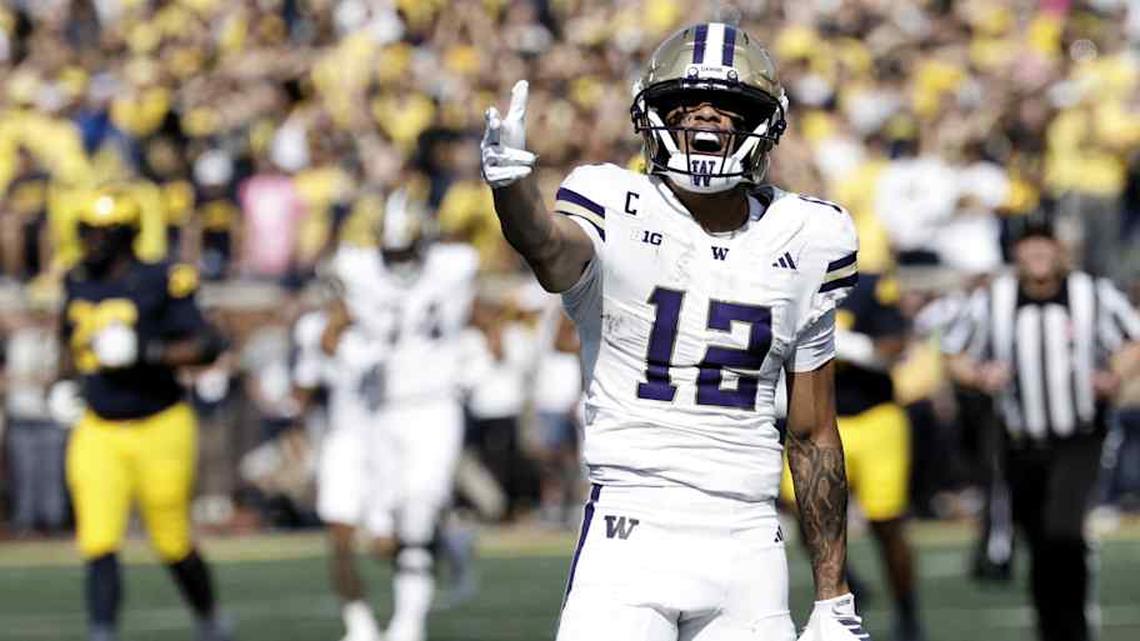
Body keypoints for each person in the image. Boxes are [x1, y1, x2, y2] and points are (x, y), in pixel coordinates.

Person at [482, 22, 870, 641]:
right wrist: (512, 190)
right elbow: (549, 250)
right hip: (631, 529)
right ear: (651, 114)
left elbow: (813, 432)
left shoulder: (810, 236)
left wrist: (832, 595)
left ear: (762, 123)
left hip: (747, 535)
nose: (705, 118)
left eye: (728, 104)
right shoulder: (612, 200)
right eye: (685, 103)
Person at [943, 215, 1140, 641]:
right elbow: (954, 353)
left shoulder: (1092, 293)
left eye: (1044, 244)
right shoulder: (994, 298)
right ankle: (1052, 626)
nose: (1037, 253)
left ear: (1058, 250)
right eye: (1029, 245)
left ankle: (1074, 627)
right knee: (1037, 538)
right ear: (1016, 253)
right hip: (1020, 442)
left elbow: (1132, 339)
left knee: (1063, 530)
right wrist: (981, 375)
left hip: (1079, 436)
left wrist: (1114, 376)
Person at [50, 188, 232, 641]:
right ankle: (102, 632)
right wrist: (65, 382)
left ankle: (208, 619)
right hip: (98, 427)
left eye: (101, 233)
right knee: (98, 540)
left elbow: (207, 345)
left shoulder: (163, 278)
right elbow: (66, 340)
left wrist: (147, 351)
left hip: (160, 423)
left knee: (171, 541)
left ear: (125, 234)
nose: (91, 242)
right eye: (86, 231)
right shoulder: (76, 280)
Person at [316, 188, 481, 641]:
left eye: (407, 248)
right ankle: (449, 549)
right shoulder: (361, 271)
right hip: (382, 411)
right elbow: (333, 319)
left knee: (418, 512)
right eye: (392, 250)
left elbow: (482, 302)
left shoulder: (455, 266)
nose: (399, 260)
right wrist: (347, 346)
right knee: (385, 534)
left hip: (435, 404)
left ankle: (409, 626)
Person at [780, 272, 925, 641]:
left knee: (886, 524)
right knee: (803, 511)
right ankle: (849, 586)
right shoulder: (788, 279)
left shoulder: (871, 285)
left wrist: (841, 343)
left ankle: (907, 609)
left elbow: (895, 348)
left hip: (873, 418)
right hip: (816, 419)